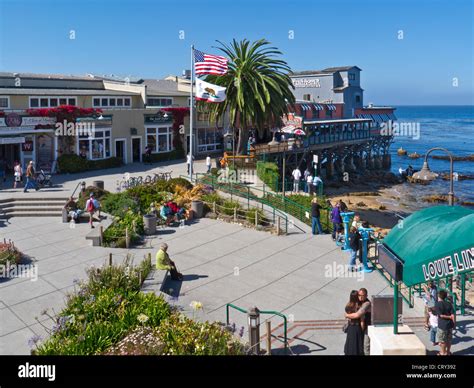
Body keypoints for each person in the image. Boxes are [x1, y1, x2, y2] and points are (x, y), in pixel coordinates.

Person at [345, 288, 371, 355]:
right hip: (360, 327)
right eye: (359, 295)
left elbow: (357, 315)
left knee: (366, 347)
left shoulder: (367, 303)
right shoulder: (357, 303)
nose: (360, 297)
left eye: (362, 295)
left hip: (367, 327)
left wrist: (347, 315)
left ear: (366, 295)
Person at [344, 290, 364, 355]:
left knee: (350, 344)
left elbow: (348, 317)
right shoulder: (359, 307)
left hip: (350, 327)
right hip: (357, 328)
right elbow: (362, 320)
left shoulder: (348, 306)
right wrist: (362, 329)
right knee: (357, 346)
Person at [435, 289, 455, 356]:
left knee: (442, 341)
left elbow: (441, 316)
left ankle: (443, 353)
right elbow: (453, 315)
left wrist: (449, 317)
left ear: (439, 296)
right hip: (450, 325)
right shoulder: (449, 304)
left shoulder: (438, 304)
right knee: (449, 340)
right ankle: (448, 352)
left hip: (442, 326)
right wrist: (454, 324)